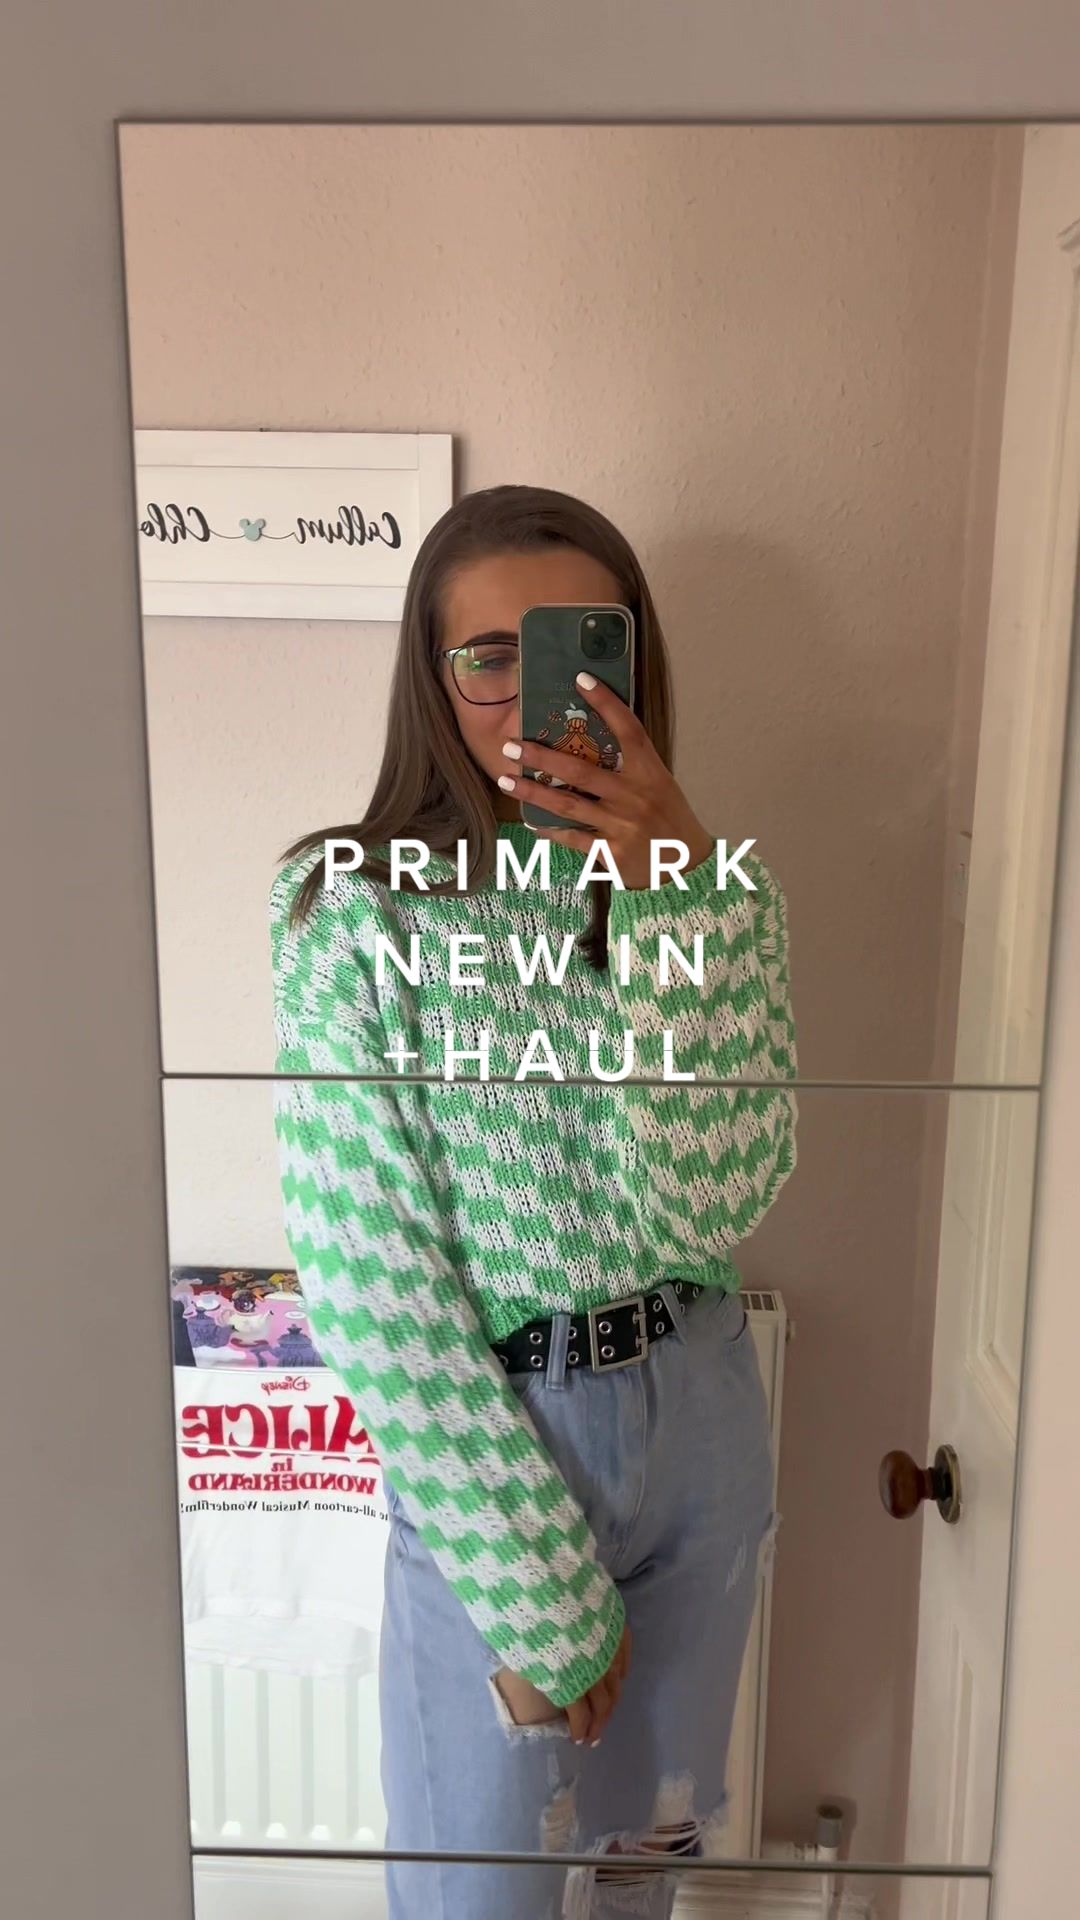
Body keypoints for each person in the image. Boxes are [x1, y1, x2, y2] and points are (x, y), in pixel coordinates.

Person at [269, 484, 798, 1919]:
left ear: (630, 664)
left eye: (572, 647)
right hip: (503, 1435)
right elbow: (370, 1273)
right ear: (431, 678)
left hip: (702, 1413)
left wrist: (674, 890)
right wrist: (532, 1581)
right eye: (487, 655)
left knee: (642, 1881)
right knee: (477, 1895)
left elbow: (715, 1194)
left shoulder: (711, 892)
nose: (526, 695)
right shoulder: (351, 905)